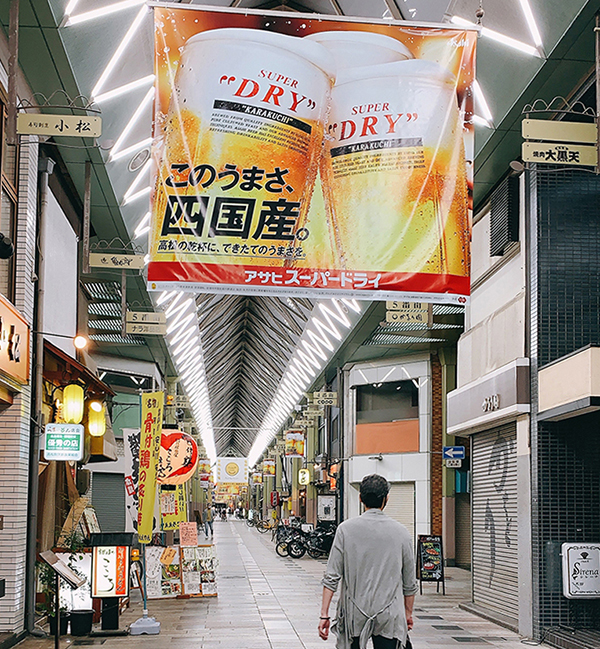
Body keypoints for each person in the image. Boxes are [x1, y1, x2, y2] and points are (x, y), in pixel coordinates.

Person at [318, 474, 418, 649]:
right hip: (389, 613)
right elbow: (409, 582)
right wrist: (407, 613)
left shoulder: (345, 530)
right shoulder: (401, 532)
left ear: (360, 498)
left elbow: (332, 576)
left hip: (354, 612)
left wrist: (324, 614)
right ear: (386, 498)